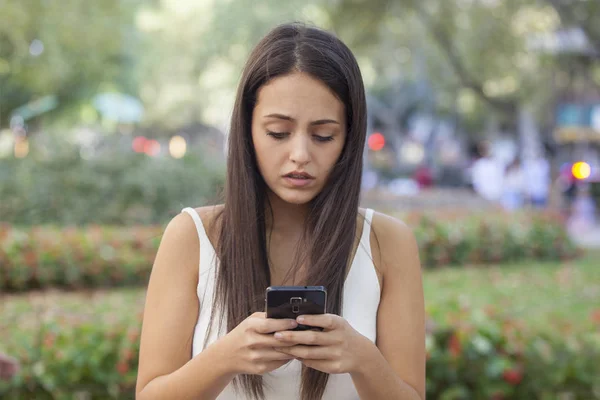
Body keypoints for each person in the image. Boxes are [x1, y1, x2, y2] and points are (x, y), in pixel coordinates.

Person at [136, 23, 425, 400]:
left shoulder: (388, 243)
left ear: (349, 138)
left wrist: (361, 358)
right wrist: (226, 357)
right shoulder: (192, 235)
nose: (300, 155)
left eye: (323, 135)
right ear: (247, 130)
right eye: (278, 132)